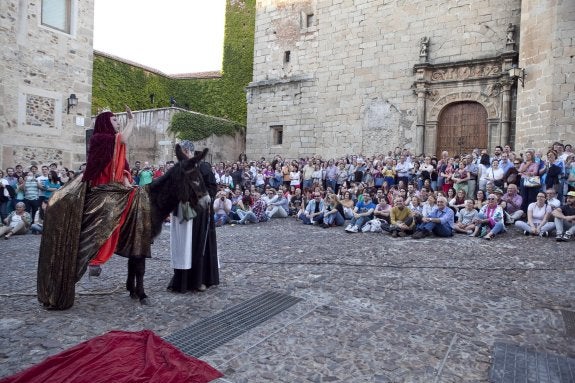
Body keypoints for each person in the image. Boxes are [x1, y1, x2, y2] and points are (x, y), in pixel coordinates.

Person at [80, 106, 135, 276]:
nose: (118, 122)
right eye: (115, 119)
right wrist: (131, 120)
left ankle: (127, 243)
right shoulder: (100, 139)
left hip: (116, 190)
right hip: (103, 190)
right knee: (102, 225)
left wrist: (126, 179)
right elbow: (124, 138)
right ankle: (93, 259)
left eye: (118, 120)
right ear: (105, 122)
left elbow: (123, 165)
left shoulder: (113, 142)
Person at [168, 140, 219, 293]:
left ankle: (200, 279)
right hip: (182, 212)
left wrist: (199, 201)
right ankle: (182, 279)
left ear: (188, 152)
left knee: (198, 245)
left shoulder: (203, 167)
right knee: (183, 246)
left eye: (183, 153)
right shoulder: (179, 169)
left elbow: (211, 188)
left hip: (199, 214)